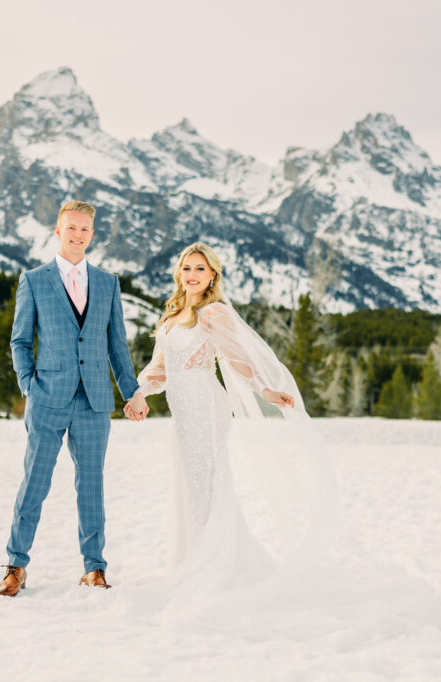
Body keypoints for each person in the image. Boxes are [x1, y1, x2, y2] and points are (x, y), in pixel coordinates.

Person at [128, 242, 312, 586]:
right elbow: (159, 368)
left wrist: (265, 390)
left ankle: (210, 568)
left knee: (205, 481)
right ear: (178, 273)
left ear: (212, 274)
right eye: (187, 268)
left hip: (206, 405)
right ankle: (194, 560)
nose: (192, 275)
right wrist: (137, 394)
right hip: (181, 411)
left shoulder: (214, 313)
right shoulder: (171, 316)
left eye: (200, 269)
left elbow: (237, 358)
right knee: (189, 481)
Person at [0, 200, 148, 597]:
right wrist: (29, 385)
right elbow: (19, 340)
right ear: (58, 231)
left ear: (92, 235)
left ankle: (94, 568)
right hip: (48, 397)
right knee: (35, 481)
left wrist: (131, 391)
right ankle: (16, 565)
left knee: (92, 484)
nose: (78, 235)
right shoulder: (33, 280)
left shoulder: (108, 282)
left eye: (85, 229)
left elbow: (118, 346)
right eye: (71, 228)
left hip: (95, 400)